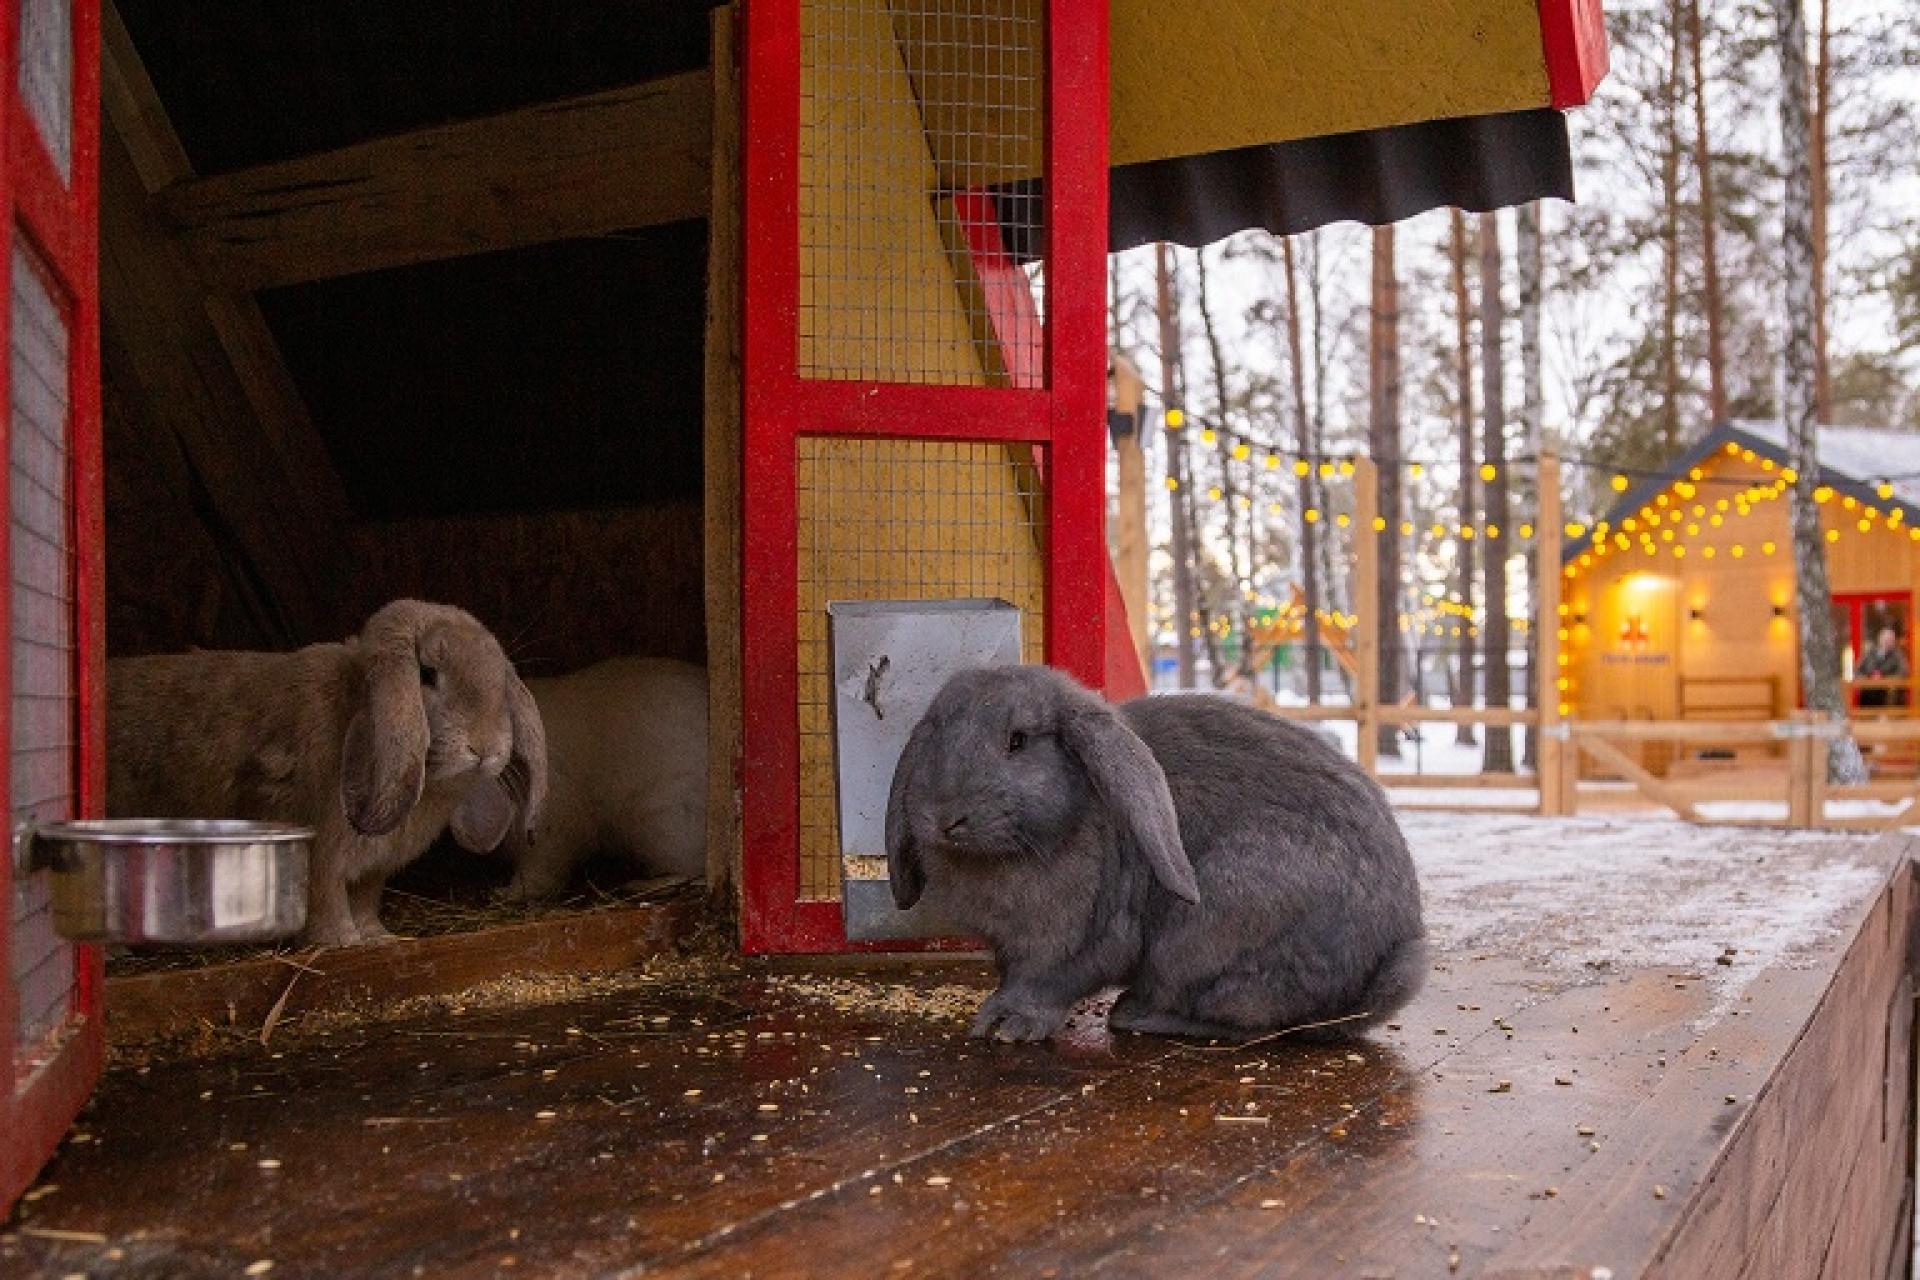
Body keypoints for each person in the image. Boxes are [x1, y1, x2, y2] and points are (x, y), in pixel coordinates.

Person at [1856, 626, 1910, 708]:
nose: (1888, 642)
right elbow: (1858, 670)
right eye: (1886, 639)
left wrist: (1885, 679)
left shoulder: (1898, 655)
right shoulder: (1869, 652)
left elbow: (1904, 671)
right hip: (1869, 690)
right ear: (1880, 639)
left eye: (1891, 640)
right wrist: (1866, 679)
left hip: (1887, 690)